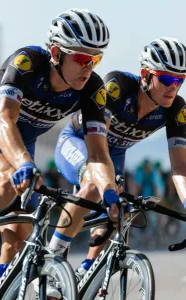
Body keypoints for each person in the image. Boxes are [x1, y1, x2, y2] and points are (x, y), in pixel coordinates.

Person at [0, 8, 120, 300]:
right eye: (82, 58)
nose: (89, 67)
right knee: (7, 181)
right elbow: (3, 120)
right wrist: (24, 164)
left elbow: (97, 153)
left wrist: (110, 192)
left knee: (17, 241)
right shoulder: (27, 62)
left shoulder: (92, 88)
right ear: (56, 52)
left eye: (96, 59)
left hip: (20, 144)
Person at [53, 37, 186, 280]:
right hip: (80, 142)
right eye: (167, 79)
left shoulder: (176, 108)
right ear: (146, 74)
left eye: (180, 80)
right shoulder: (118, 86)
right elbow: (97, 147)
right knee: (95, 185)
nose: (173, 87)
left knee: (118, 212)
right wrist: (109, 182)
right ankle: (53, 259)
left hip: (114, 155)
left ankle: (86, 270)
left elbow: (180, 168)